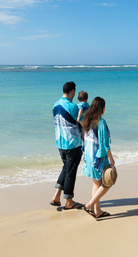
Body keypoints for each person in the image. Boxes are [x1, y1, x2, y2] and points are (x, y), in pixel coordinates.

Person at [50, 81, 83, 210]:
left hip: (60, 142)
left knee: (66, 168)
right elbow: (83, 122)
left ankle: (56, 196)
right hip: (72, 143)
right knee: (70, 172)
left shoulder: (55, 105)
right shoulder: (73, 107)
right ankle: (69, 201)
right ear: (72, 91)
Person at [81, 97, 114, 219]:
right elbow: (105, 144)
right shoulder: (101, 122)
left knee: (96, 184)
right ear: (102, 108)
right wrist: (111, 158)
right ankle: (90, 205)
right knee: (108, 183)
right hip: (98, 158)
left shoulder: (87, 121)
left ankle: (97, 211)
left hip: (89, 156)